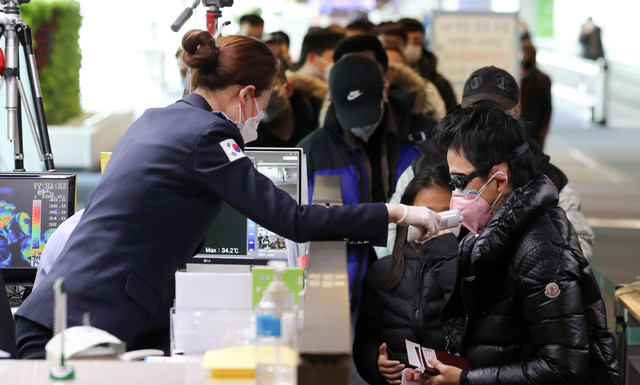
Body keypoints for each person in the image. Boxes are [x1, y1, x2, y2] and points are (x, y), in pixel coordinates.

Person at [14, 31, 441, 359]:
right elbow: (293, 220)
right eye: (267, 99)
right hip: (86, 323)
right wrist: (398, 212)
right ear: (248, 95)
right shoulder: (209, 135)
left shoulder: (157, 119)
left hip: (66, 305)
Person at [422, 105, 631, 385]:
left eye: (459, 180)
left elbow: (564, 371)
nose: (456, 194)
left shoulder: (541, 251)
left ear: (500, 179)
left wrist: (465, 384)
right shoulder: (492, 229)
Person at [383, 66, 595, 260]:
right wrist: (426, 263)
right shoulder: (424, 166)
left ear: (517, 111)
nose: (486, 123)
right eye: (476, 113)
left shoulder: (548, 178)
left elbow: (579, 245)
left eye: (497, 113)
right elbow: (390, 236)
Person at [297, 54, 444, 311]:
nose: (360, 125)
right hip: (343, 291)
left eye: (365, 112)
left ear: (385, 92)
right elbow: (305, 224)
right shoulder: (312, 151)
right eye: (351, 116)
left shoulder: (426, 139)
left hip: (415, 288)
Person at [353, 165, 459, 385]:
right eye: (427, 214)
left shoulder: (469, 271)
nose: (435, 224)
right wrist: (376, 365)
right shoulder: (383, 272)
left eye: (446, 214)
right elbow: (365, 340)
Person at [253, 48, 318, 148]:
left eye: (269, 86)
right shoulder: (246, 141)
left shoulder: (319, 121)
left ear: (288, 89)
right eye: (255, 90)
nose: (262, 95)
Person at [398, 18, 458, 112]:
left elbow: (452, 116)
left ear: (423, 41)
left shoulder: (438, 82)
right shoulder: (389, 80)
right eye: (407, 41)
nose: (412, 46)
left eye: (416, 41)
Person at [520, 44, 552, 150]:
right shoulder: (516, 77)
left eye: (528, 57)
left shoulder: (543, 79)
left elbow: (547, 107)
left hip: (535, 127)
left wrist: (544, 128)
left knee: (536, 158)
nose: (525, 60)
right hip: (519, 126)